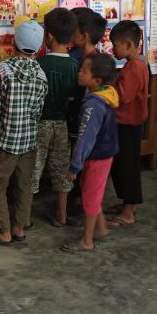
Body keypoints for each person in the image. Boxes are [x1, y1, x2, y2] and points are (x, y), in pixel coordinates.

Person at [0, 17, 48, 245]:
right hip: (29, 141)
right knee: (24, 186)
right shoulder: (41, 75)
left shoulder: (3, 70)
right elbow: (37, 112)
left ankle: (3, 230)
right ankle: (19, 227)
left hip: (5, 141)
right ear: (39, 48)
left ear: (14, 42)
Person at [60, 53, 119, 252]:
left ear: (97, 80)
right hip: (104, 154)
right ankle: (100, 229)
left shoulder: (93, 105)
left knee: (90, 197)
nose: (79, 73)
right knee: (92, 192)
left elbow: (86, 138)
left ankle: (87, 241)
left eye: (84, 71)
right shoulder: (106, 95)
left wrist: (75, 165)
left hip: (97, 157)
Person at [32, 8, 79, 227]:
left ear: (48, 37)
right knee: (62, 170)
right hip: (63, 125)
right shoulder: (75, 66)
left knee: (34, 168)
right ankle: (61, 214)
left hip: (39, 125)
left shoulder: (39, 64)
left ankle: (24, 217)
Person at [106, 21, 149, 228]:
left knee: (128, 167)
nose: (113, 49)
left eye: (115, 45)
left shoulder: (134, 68)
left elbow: (122, 96)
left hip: (128, 125)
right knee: (121, 166)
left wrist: (103, 91)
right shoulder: (136, 65)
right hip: (127, 123)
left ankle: (129, 211)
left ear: (129, 45)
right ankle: (126, 203)